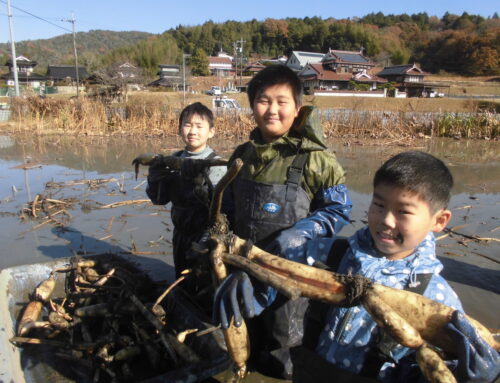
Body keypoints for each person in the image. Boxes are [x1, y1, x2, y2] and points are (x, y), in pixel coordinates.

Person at [215, 151, 500, 382]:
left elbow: (428, 369)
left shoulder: (437, 299)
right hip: (310, 371)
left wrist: (462, 372)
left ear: (439, 221)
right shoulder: (329, 254)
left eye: (403, 212)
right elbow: (283, 275)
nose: (386, 220)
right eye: (379, 205)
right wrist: (253, 281)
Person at [220, 65, 352, 378]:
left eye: (282, 102)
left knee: (286, 346)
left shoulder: (316, 159)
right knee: (244, 338)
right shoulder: (242, 155)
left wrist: (303, 232)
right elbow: (225, 206)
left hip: (291, 275)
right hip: (244, 269)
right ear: (252, 106)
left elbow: (339, 209)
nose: (272, 110)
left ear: (297, 108)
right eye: (264, 101)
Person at [146, 102, 226, 290]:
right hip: (180, 233)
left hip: (206, 236)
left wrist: (199, 184)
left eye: (199, 126)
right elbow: (159, 199)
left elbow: (220, 209)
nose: (193, 131)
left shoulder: (217, 165)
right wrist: (154, 178)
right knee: (181, 282)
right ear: (180, 128)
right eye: (187, 125)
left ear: (211, 132)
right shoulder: (171, 160)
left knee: (204, 285)